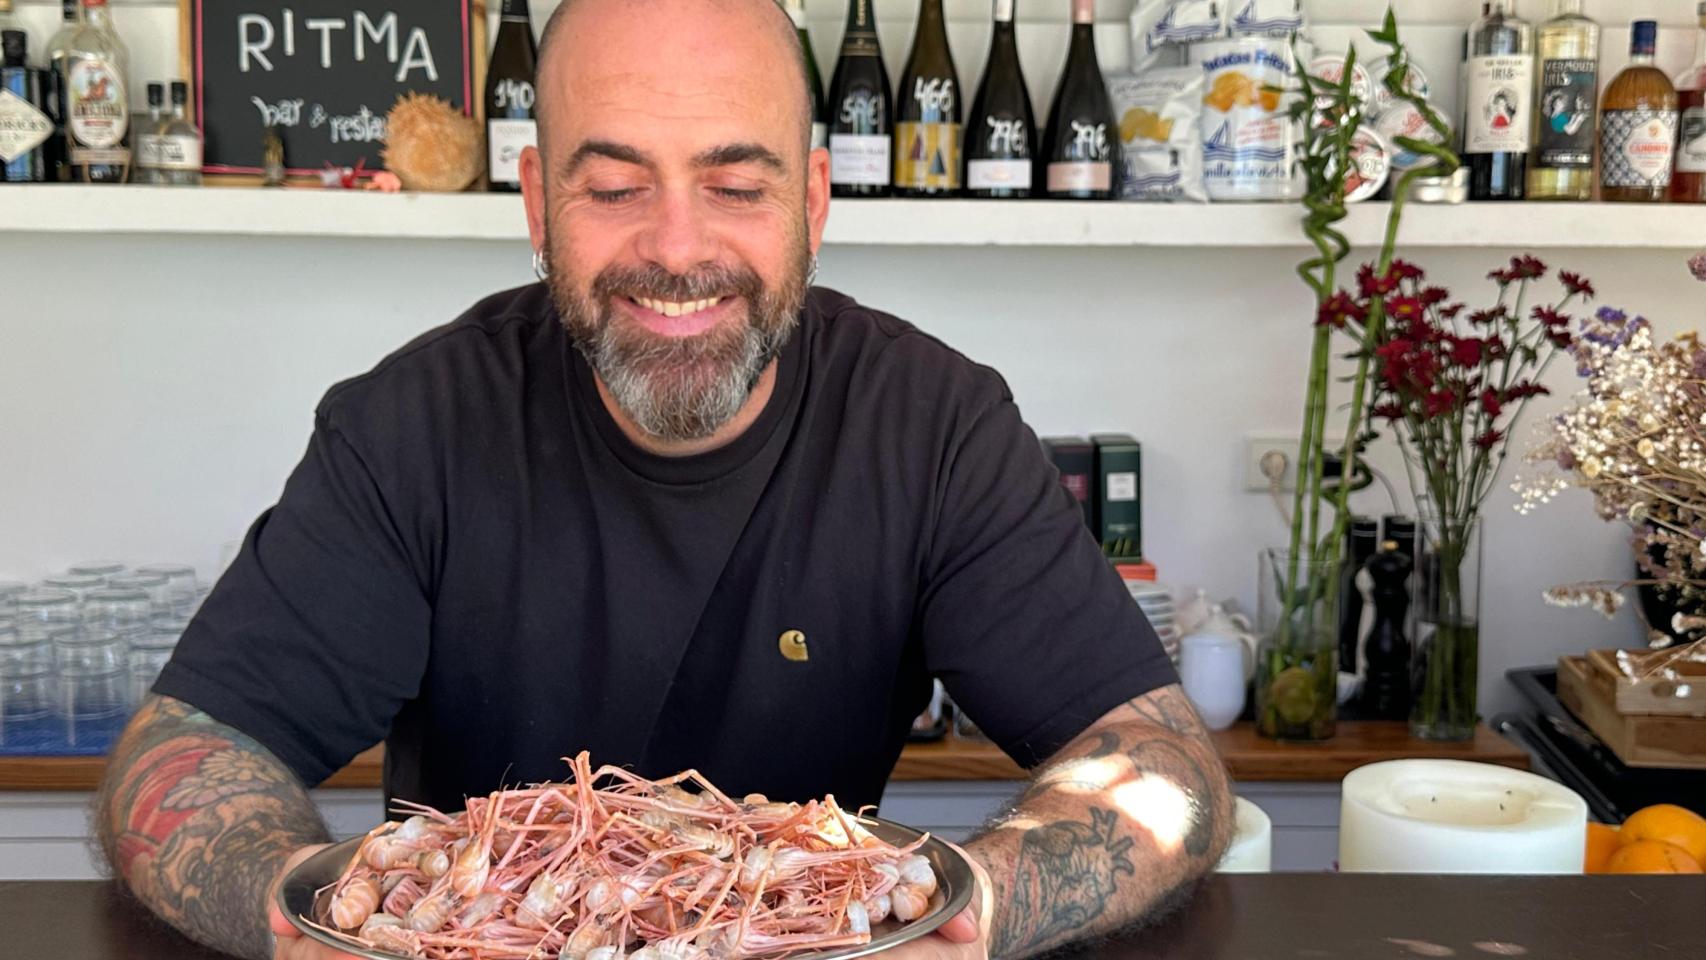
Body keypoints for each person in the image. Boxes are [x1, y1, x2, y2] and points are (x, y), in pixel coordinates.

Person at [94, 1, 1234, 958]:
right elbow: (185, 753)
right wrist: (298, 914)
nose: (677, 248)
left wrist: (980, 903)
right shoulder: (412, 425)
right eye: (612, 187)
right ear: (537, 204)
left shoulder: (933, 427)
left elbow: (1160, 765)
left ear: (814, 203)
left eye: (735, 185)